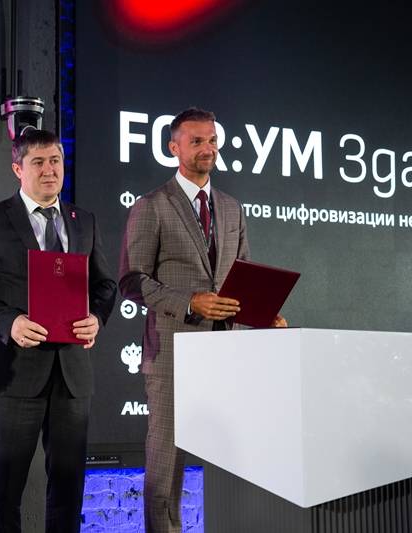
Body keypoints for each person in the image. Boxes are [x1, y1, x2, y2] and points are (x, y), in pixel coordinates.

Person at [119, 108, 285, 533]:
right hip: (172, 352)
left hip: (227, 352)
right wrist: (190, 302)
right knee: (166, 465)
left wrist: (263, 313)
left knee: (231, 456)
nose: (207, 148)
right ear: (173, 148)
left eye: (212, 140)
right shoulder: (151, 206)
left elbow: (242, 274)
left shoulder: (231, 207)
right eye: (196, 141)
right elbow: (132, 281)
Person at [0, 129, 117, 533]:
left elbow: (105, 285)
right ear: (17, 169)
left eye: (55, 161)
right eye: (38, 162)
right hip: (15, 373)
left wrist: (97, 318)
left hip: (72, 375)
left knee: (68, 491)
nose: (49, 170)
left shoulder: (84, 221)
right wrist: (8, 322)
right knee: (4, 492)